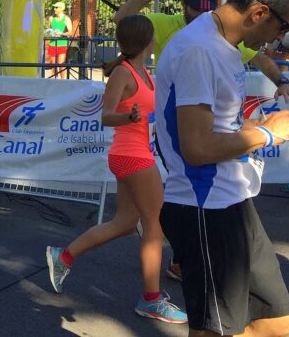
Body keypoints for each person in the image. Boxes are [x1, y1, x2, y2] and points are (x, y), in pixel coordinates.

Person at [156, 0, 289, 337]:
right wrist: (267, 135)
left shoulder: (223, 42)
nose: (279, 39)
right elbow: (197, 148)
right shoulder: (199, 50)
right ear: (259, 13)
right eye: (284, 27)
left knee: (275, 322)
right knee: (215, 331)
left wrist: (248, 130)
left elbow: (211, 129)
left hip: (232, 199)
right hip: (202, 205)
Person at [45, 16, 187, 323]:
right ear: (145, 40)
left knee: (124, 223)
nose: (155, 42)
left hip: (136, 154)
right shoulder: (123, 73)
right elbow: (106, 116)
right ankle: (151, 299)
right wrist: (128, 118)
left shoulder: (141, 71)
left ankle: (64, 255)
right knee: (154, 224)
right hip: (131, 155)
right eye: (152, 37)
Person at [114, 0, 289, 105]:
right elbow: (121, 21)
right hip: (175, 109)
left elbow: (260, 59)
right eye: (196, 8)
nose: (201, 14)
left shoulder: (222, 34)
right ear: (183, 5)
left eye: (206, 9)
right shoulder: (164, 24)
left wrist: (281, 81)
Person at [45, 1, 74, 78]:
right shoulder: (51, 18)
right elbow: (48, 29)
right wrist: (50, 32)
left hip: (62, 44)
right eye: (54, 7)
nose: (54, 9)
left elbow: (70, 32)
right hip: (52, 44)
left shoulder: (66, 19)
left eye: (56, 7)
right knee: (53, 65)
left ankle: (62, 81)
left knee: (61, 64)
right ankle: (54, 81)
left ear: (61, 9)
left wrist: (61, 33)